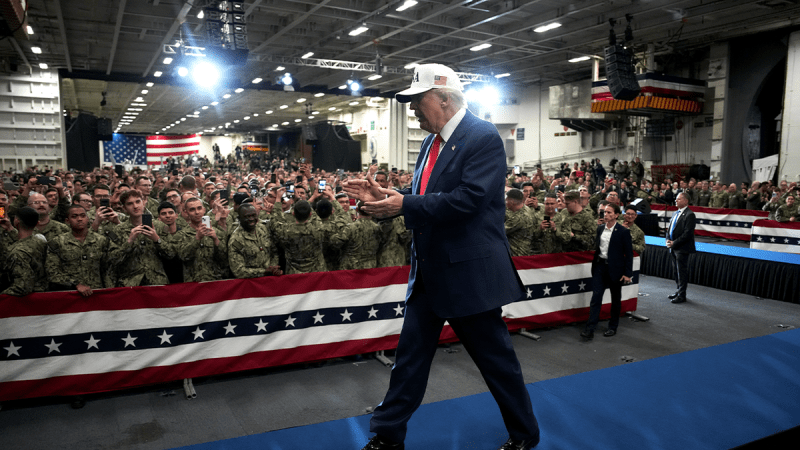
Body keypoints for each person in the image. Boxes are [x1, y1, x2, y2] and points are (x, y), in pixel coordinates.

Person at [344, 63, 539, 450]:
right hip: (430, 272)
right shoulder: (431, 143)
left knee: (496, 362)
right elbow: (424, 197)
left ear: (445, 98)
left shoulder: (482, 136)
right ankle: (387, 436)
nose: (412, 109)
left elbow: (468, 200)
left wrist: (404, 204)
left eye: (418, 100)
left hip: (468, 275)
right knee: (409, 361)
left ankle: (524, 435)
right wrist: (384, 201)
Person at [581, 203, 633, 339]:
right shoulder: (600, 229)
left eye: (609, 212)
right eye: (605, 212)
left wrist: (628, 273)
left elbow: (629, 254)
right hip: (600, 267)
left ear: (616, 215)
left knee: (615, 299)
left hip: (616, 269)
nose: (606, 214)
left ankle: (613, 326)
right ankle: (590, 329)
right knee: (596, 297)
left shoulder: (623, 231)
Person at [46, 204, 112, 295]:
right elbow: (52, 272)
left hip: (96, 292)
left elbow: (108, 269)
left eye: (83, 216)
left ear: (88, 219)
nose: (79, 219)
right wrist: (75, 284)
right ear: (67, 221)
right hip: (70, 294)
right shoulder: (57, 242)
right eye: (74, 216)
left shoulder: (101, 240)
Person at [1, 207, 48, 296]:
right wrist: (10, 228)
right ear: (37, 223)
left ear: (16, 220)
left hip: (26, 299)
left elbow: (22, 287)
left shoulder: (18, 252)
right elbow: (26, 240)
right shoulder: (40, 240)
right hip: (43, 294)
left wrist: (3, 296)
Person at [666, 192, 696, 304]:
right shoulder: (675, 213)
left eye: (678, 199)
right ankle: (678, 291)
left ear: (685, 201)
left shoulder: (690, 215)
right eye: (676, 199)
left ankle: (682, 295)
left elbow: (688, 234)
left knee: (681, 272)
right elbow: (670, 229)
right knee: (676, 271)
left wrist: (674, 243)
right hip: (673, 247)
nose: (676, 200)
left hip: (682, 248)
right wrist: (668, 240)